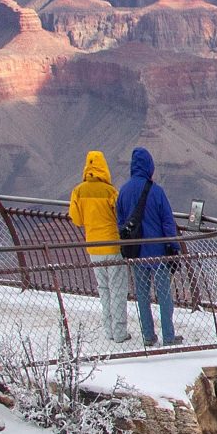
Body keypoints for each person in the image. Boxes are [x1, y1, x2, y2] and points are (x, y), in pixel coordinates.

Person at [115, 146, 180, 347]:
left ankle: (148, 336)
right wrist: (173, 247)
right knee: (164, 296)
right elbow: (168, 223)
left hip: (136, 253)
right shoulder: (157, 191)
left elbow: (120, 223)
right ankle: (169, 337)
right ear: (149, 167)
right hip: (158, 253)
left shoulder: (123, 192)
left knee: (142, 296)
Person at [67, 150, 130, 344]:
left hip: (93, 247)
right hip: (112, 246)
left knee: (103, 289)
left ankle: (108, 330)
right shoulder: (111, 192)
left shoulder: (78, 191)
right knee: (117, 289)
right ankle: (119, 332)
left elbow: (77, 219)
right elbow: (120, 216)